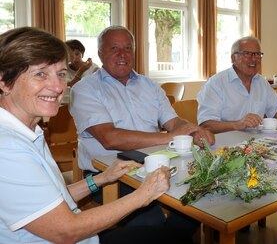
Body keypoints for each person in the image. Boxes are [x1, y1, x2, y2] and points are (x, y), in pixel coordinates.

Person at [0, 27, 183, 244]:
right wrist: (144, 194)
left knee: (179, 225)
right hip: (76, 237)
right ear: (4, 81)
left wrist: (103, 177)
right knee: (167, 233)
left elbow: (51, 197)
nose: (58, 86)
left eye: (60, 74)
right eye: (40, 74)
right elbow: (66, 231)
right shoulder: (7, 147)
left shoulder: (28, 132)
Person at [70, 26, 214, 235]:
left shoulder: (150, 85)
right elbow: (110, 139)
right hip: (109, 176)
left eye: (128, 48)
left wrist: (194, 131)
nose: (122, 54)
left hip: (159, 165)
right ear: (100, 54)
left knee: (199, 201)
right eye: (114, 48)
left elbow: (173, 122)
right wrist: (168, 137)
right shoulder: (84, 89)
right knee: (149, 223)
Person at [197, 36, 277, 133]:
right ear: (233, 58)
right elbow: (206, 125)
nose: (254, 59)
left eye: (257, 54)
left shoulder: (262, 83)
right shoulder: (215, 84)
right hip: (226, 145)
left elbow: (274, 110)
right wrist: (238, 124)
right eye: (247, 54)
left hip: (257, 142)